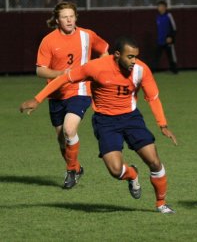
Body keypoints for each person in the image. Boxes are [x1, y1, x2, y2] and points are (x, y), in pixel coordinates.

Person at [20, 36, 178, 214]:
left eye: (136, 56)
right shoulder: (96, 67)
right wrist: (37, 99)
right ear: (117, 55)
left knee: (154, 161)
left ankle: (161, 203)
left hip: (132, 119)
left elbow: (153, 97)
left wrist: (162, 125)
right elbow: (64, 79)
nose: (134, 61)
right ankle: (132, 174)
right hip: (105, 122)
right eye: (130, 57)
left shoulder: (142, 70)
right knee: (115, 170)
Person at [35, 1, 109, 189]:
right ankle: (76, 167)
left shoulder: (87, 35)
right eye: (64, 17)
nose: (69, 20)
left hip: (80, 90)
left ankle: (70, 171)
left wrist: (99, 70)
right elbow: (40, 71)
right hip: (56, 95)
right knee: (62, 139)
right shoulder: (49, 41)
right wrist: (59, 74)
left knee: (69, 129)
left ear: (76, 17)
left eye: (71, 16)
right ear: (57, 20)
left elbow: (105, 50)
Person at [153, 0, 178, 74]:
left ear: (164, 7)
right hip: (160, 40)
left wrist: (170, 37)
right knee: (156, 56)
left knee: (171, 56)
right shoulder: (157, 17)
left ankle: (174, 70)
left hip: (168, 40)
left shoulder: (169, 16)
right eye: (158, 6)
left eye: (161, 6)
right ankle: (152, 70)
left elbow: (174, 28)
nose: (159, 8)